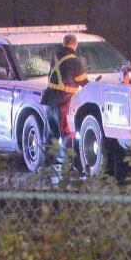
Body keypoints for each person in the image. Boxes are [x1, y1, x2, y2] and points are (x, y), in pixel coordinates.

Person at [40, 34, 89, 167]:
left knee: (52, 133)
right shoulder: (75, 61)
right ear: (75, 45)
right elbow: (84, 82)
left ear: (64, 43)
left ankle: (48, 164)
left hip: (50, 100)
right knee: (67, 133)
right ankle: (69, 164)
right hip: (63, 102)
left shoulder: (55, 57)